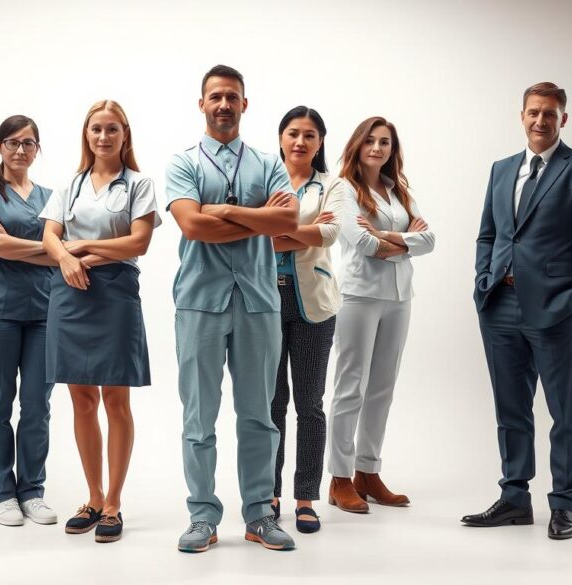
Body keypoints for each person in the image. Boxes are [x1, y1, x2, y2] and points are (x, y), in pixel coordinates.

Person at [462, 82, 572, 540]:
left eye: (549, 113)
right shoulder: (502, 169)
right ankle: (514, 497)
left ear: (562, 119)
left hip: (555, 309)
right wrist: (482, 284)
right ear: (522, 115)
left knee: (563, 411)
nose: (540, 120)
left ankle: (565, 504)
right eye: (533, 112)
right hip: (499, 305)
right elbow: (489, 235)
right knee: (511, 410)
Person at [166, 65, 300, 553]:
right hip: (199, 301)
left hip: (258, 301)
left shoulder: (268, 162)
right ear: (201, 103)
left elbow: (287, 217)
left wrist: (221, 211)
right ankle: (202, 516)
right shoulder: (183, 163)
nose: (224, 104)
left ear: (246, 104)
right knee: (199, 419)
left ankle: (260, 514)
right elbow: (192, 228)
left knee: (259, 416)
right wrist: (255, 219)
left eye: (233, 97)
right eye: (215, 96)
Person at [39, 100, 160, 543]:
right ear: (85, 135)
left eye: (112, 129)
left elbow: (139, 242)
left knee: (116, 401)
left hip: (114, 296)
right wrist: (67, 258)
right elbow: (50, 235)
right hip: (70, 293)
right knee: (81, 399)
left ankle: (114, 502)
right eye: (96, 129)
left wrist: (83, 250)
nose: (104, 137)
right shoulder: (70, 184)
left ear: (124, 134)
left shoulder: (139, 184)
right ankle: (92, 496)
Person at [327, 116, 435, 514]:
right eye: (370, 140)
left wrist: (389, 237)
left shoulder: (397, 190)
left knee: (383, 388)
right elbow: (362, 244)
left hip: (398, 296)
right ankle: (339, 477)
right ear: (357, 145)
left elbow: (430, 240)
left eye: (385, 142)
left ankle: (367, 473)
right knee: (350, 386)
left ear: (393, 149)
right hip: (359, 295)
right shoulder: (342, 189)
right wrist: (405, 240)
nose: (377, 148)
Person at [0, 115, 58, 527]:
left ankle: (32, 490)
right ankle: (1, 492)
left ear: (38, 149)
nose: (20, 150)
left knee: (37, 406)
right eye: (12, 142)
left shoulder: (53, 197)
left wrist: (22, 246)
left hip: (44, 310)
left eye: (29, 143)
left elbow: (66, 245)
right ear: (0, 146)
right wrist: (47, 247)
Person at [268, 107, 343, 533]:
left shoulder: (333, 184)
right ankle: (270, 491)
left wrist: (279, 231)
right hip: (264, 300)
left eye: (309, 135)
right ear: (281, 138)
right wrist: (306, 228)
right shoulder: (263, 178)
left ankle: (306, 497)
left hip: (313, 302)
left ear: (319, 142)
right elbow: (249, 233)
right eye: (293, 133)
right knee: (272, 404)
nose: (300, 142)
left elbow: (329, 235)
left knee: (309, 405)